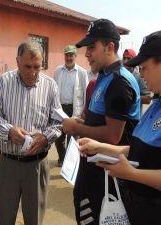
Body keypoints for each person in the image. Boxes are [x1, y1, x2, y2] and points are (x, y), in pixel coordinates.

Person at [77, 30, 161, 225]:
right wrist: (100, 147)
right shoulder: (156, 105)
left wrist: (131, 174)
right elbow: (140, 151)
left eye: (144, 67)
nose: (141, 74)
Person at [62, 19, 141, 225]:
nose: (86, 54)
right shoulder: (104, 77)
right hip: (94, 174)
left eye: (92, 47)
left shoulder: (119, 82)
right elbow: (100, 120)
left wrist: (76, 127)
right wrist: (85, 120)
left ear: (110, 47)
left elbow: (113, 136)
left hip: (108, 181)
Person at [0, 40, 62, 225]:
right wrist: (10, 131)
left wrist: (45, 138)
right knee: (4, 218)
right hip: (8, 164)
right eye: (27, 66)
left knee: (34, 219)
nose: (32, 72)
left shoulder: (50, 86)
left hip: (37, 166)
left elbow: (58, 123)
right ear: (17, 61)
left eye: (37, 66)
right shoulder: (4, 82)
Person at [53, 45, 88, 166]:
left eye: (71, 55)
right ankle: (62, 157)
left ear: (75, 56)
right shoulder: (58, 71)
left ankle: (69, 163)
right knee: (58, 136)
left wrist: (84, 110)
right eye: (67, 55)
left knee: (72, 138)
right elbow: (54, 90)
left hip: (75, 108)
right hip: (60, 108)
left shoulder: (82, 73)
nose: (69, 58)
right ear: (64, 56)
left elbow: (86, 91)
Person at [123, 48, 151, 113]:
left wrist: (131, 98)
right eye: (124, 58)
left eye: (128, 58)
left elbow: (148, 99)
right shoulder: (119, 75)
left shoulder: (139, 77)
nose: (125, 61)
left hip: (134, 118)